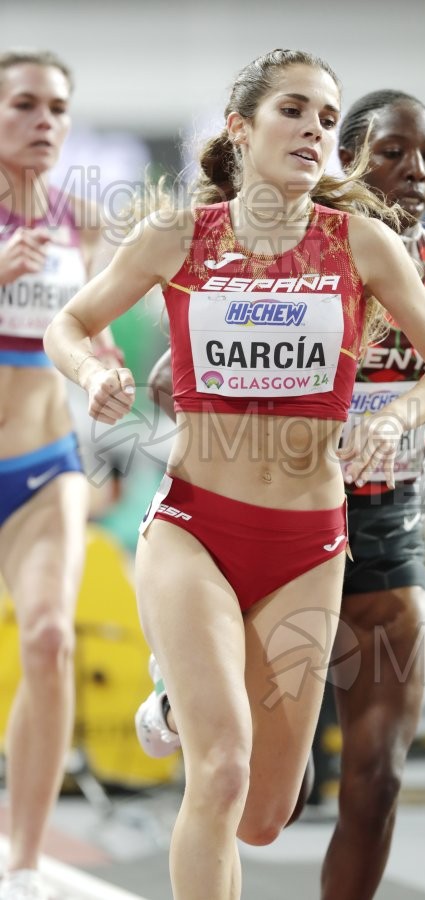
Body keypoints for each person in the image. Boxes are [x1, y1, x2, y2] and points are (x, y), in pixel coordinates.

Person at [43, 50, 425, 900]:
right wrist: (94, 374)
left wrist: (393, 416)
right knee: (223, 768)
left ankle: (174, 705)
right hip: (195, 530)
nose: (316, 129)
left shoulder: (359, 241)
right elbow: (70, 319)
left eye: (328, 117)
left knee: (267, 813)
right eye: (295, 110)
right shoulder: (177, 235)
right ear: (241, 128)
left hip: (310, 545)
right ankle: (189, 699)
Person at [134, 86, 425, 900]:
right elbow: (179, 376)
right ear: (349, 160)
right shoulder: (305, 256)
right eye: (393, 153)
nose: (415, 171)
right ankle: (180, 702)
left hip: (390, 527)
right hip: (288, 518)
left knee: (378, 775)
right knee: (278, 791)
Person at [0, 50, 123, 900]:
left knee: (49, 639)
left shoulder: (85, 223)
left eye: (58, 108)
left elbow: (97, 343)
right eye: (24, 105)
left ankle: (24, 860)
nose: (45, 121)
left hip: (47, 467)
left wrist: (104, 371)